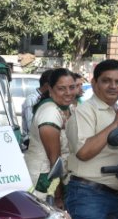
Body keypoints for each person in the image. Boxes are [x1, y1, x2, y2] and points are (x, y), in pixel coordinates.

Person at [65, 59, 118, 219]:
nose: (113, 86)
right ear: (94, 84)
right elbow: (84, 152)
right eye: (106, 81)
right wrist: (116, 124)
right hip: (89, 194)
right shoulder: (85, 112)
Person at [24, 68, 78, 198]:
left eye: (72, 87)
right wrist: (58, 195)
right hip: (44, 179)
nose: (68, 93)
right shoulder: (50, 112)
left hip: (58, 177)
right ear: (50, 89)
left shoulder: (69, 107)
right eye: (62, 88)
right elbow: (55, 162)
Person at [21, 69, 53, 141]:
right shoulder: (31, 100)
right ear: (47, 85)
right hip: (31, 141)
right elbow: (31, 127)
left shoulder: (49, 99)